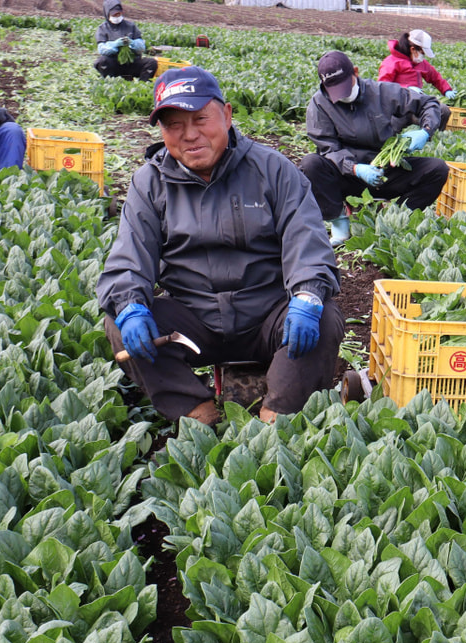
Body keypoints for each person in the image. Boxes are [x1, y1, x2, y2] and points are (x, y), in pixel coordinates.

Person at [96, 66, 345, 427]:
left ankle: (278, 415)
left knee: (323, 315)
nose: (190, 135)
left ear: (226, 116)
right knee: (120, 321)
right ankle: (197, 412)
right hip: (194, 322)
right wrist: (131, 305)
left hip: (269, 318)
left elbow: (306, 239)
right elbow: (129, 258)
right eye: (174, 126)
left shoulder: (273, 170)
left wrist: (306, 297)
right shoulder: (149, 183)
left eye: (200, 119)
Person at [299, 50, 449, 248]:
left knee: (438, 170)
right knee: (311, 164)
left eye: (345, 86)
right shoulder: (319, 103)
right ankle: (339, 221)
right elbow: (328, 148)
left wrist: (426, 131)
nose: (342, 95)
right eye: (334, 90)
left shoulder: (382, 92)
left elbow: (428, 103)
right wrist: (355, 168)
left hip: (385, 171)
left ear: (356, 72)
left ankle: (394, 218)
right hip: (348, 175)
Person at [94, 0, 158, 81]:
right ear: (107, 14)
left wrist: (132, 43)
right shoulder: (102, 28)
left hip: (132, 63)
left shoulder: (131, 26)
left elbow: (141, 47)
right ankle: (110, 81)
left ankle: (143, 84)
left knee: (151, 63)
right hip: (114, 64)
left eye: (119, 14)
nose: (117, 16)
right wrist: (115, 44)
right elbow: (101, 49)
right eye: (114, 14)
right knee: (102, 62)